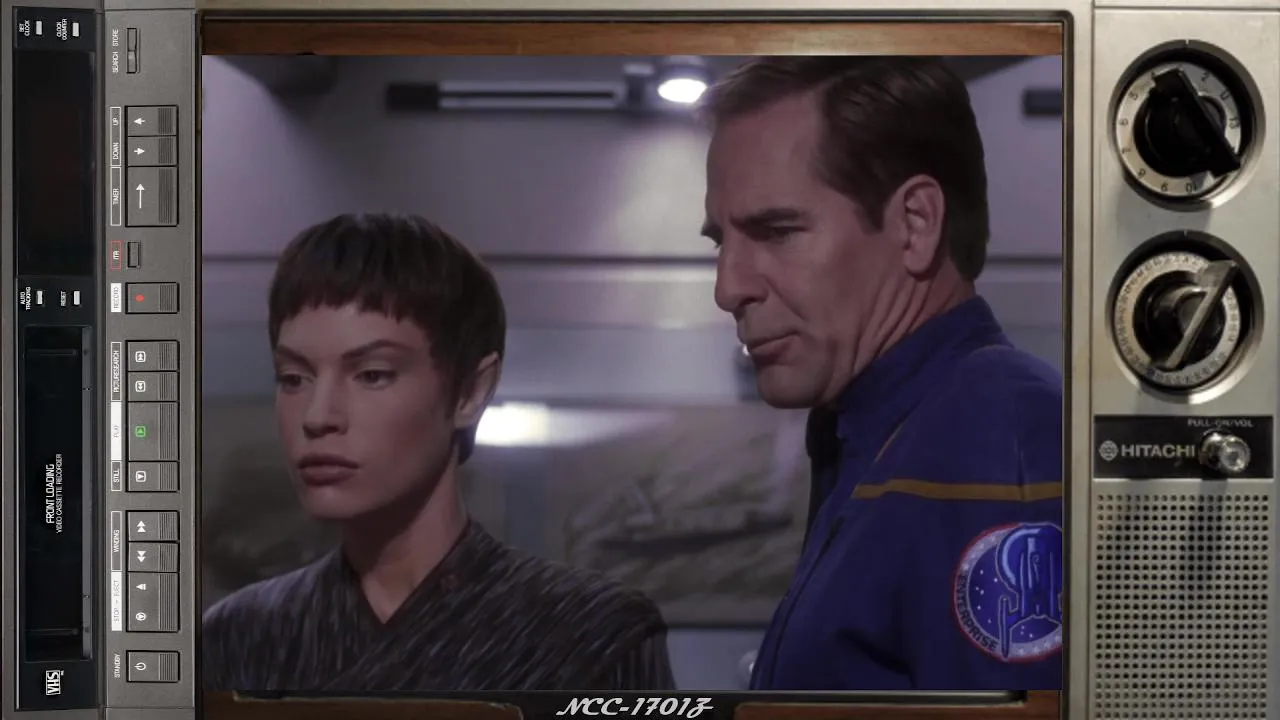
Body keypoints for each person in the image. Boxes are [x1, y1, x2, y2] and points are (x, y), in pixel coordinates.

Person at [699, 57, 1063, 690]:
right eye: (720, 243)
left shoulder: (992, 441)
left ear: (915, 225)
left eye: (776, 232)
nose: (728, 288)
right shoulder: (894, 434)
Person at [201, 213, 677, 692]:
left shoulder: (592, 637)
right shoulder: (241, 639)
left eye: (372, 375)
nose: (318, 416)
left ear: (470, 392)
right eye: (293, 378)